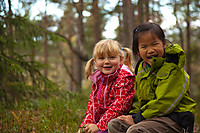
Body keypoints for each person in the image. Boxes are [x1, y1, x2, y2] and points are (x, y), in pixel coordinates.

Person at [108, 22, 197, 133]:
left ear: (164, 44)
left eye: (155, 44)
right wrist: (132, 115)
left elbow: (165, 102)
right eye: (144, 46)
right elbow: (137, 99)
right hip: (149, 117)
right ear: (138, 51)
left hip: (174, 118)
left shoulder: (173, 67)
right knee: (115, 125)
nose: (150, 50)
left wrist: (137, 118)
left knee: (136, 130)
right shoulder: (142, 69)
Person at [78, 39, 135, 133]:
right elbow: (93, 107)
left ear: (121, 59)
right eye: (101, 58)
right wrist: (85, 126)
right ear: (95, 62)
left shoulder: (125, 77)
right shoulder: (99, 79)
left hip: (119, 122)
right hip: (104, 120)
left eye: (112, 57)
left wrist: (99, 126)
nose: (107, 61)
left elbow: (120, 107)